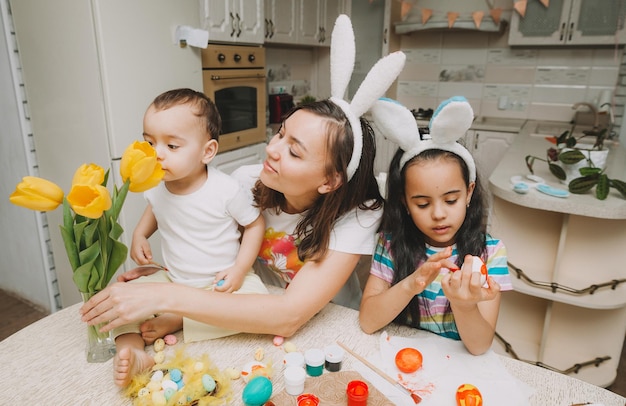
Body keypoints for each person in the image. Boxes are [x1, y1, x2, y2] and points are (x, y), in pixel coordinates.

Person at [80, 14, 407, 387]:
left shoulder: (360, 216)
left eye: (294, 152)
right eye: (280, 133)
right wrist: (169, 272)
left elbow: (288, 314)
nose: (272, 149)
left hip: (323, 326)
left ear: (330, 180)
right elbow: (207, 240)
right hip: (245, 307)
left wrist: (167, 295)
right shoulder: (247, 182)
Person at [112, 88, 269, 386]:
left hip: (219, 285)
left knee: (259, 304)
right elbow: (156, 210)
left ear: (207, 151)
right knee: (123, 298)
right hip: (173, 279)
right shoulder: (156, 184)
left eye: (171, 145)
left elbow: (254, 225)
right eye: (149, 142)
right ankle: (132, 350)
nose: (157, 153)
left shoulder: (225, 190)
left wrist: (238, 269)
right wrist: (139, 234)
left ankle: (180, 318)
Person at [359, 97, 512, 355]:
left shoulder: (490, 253)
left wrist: (463, 305)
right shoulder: (391, 244)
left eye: (451, 200)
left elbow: (479, 346)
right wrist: (413, 283)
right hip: (401, 358)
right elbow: (367, 322)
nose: (439, 214)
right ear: (405, 203)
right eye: (422, 204)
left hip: (458, 366)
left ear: (469, 193)